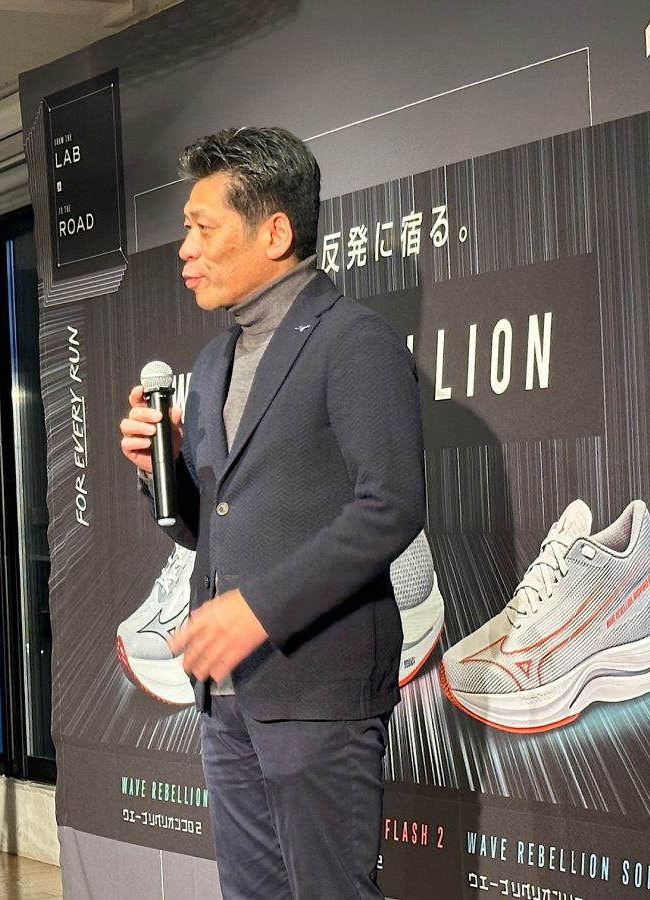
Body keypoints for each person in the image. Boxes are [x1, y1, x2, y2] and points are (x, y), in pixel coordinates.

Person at [118, 126, 425, 900]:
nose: (185, 249)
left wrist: (258, 609)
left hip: (317, 688)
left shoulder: (355, 341)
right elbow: (210, 526)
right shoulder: (215, 358)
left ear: (275, 231)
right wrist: (162, 472)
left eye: (203, 227)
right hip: (227, 697)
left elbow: (391, 507)